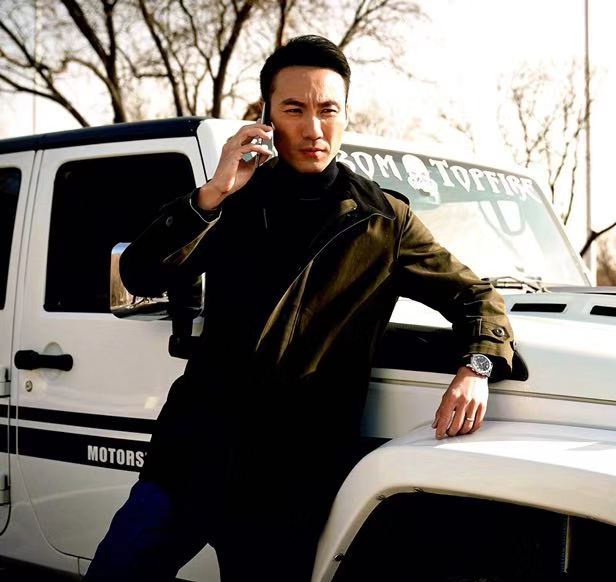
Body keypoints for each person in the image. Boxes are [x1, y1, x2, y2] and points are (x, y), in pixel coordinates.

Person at [85, 34, 515, 581]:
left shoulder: (383, 220)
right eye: (295, 109)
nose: (314, 128)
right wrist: (213, 193)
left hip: (289, 479)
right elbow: (142, 273)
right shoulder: (232, 198)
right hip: (191, 453)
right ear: (267, 116)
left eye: (328, 110)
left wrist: (476, 366)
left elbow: (475, 295)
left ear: (345, 115)